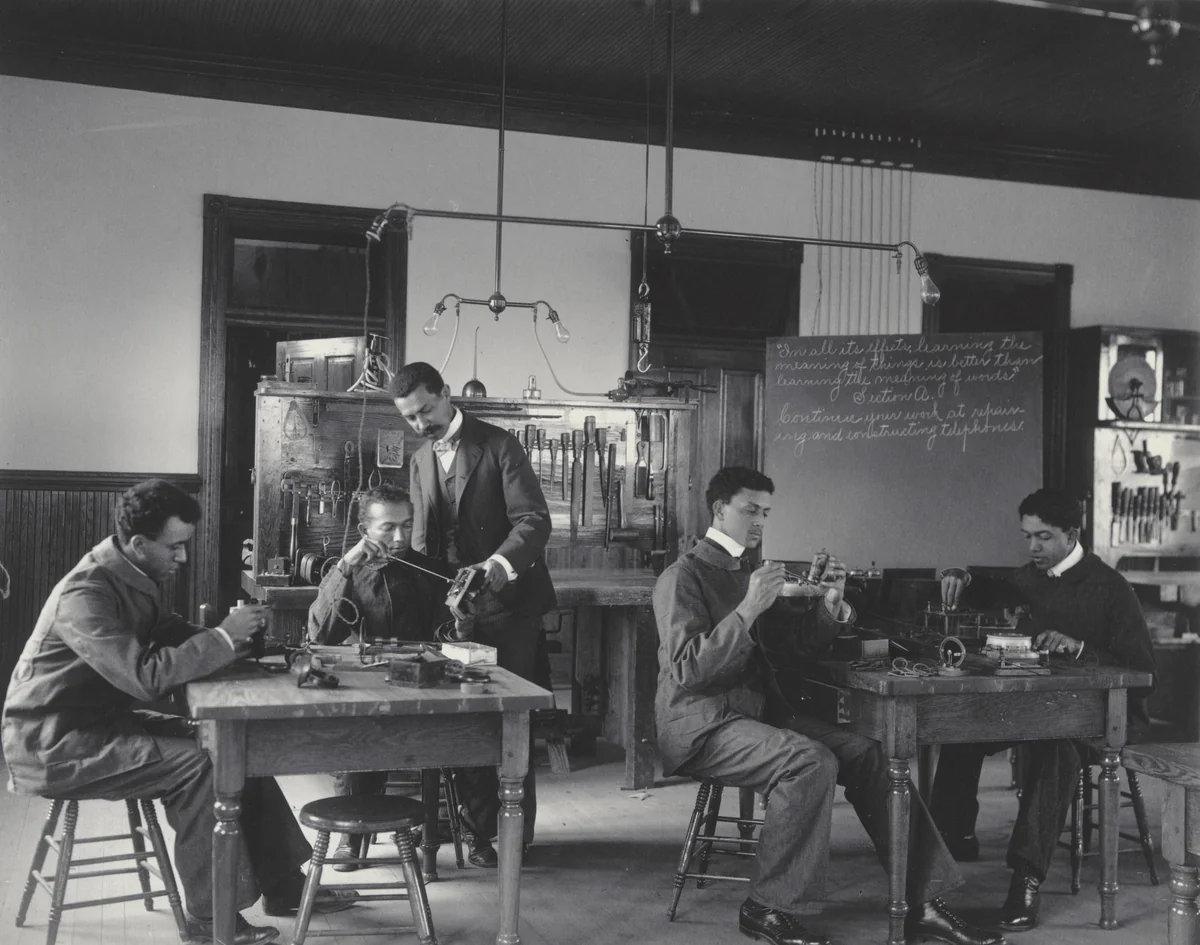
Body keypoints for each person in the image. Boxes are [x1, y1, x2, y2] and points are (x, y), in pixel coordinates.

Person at [654, 466, 1002, 945]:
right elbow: (689, 670)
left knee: (869, 753)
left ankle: (923, 901)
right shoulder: (682, 577)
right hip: (701, 725)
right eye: (750, 510)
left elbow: (792, 652)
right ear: (719, 509)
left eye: (765, 513)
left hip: (755, 717)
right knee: (808, 760)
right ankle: (767, 907)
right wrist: (748, 609)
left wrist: (831, 604)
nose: (759, 522)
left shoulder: (749, 572)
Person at [1, 479, 359, 945]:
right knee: (200, 768)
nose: (184, 558)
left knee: (235, 746)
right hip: (54, 742)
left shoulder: (125, 573)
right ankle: (210, 921)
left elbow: (167, 630)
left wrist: (241, 641)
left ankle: (283, 885)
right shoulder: (86, 594)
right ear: (138, 543)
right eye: (175, 547)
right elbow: (144, 678)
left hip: (97, 724)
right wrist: (223, 638)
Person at [930, 488, 1157, 932]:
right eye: (1027, 536)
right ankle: (949, 845)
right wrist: (962, 577)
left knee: (1056, 750)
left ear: (1072, 534)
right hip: (1039, 706)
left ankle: (1026, 881)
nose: (1032, 547)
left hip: (1100, 713)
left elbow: (1146, 671)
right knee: (961, 729)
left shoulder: (1111, 587)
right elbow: (992, 588)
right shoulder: (1031, 577)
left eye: (1043, 537)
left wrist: (1081, 648)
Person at [391, 361, 556, 864]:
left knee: (510, 723)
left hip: (508, 608)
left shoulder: (501, 445)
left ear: (445, 394)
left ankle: (514, 839)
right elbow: (422, 542)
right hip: (450, 616)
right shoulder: (420, 460)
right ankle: (476, 833)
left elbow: (534, 520)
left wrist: (498, 566)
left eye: (426, 411)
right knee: (462, 723)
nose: (420, 424)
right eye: (409, 418)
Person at [307, 483, 471, 869]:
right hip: (370, 687)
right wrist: (346, 567)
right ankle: (352, 833)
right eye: (388, 528)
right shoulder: (348, 571)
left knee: (470, 728)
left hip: (426, 686)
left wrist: (461, 628)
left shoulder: (433, 572)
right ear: (364, 529)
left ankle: (465, 827)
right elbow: (320, 636)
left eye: (406, 526)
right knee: (359, 732)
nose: (399, 538)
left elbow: (447, 635)